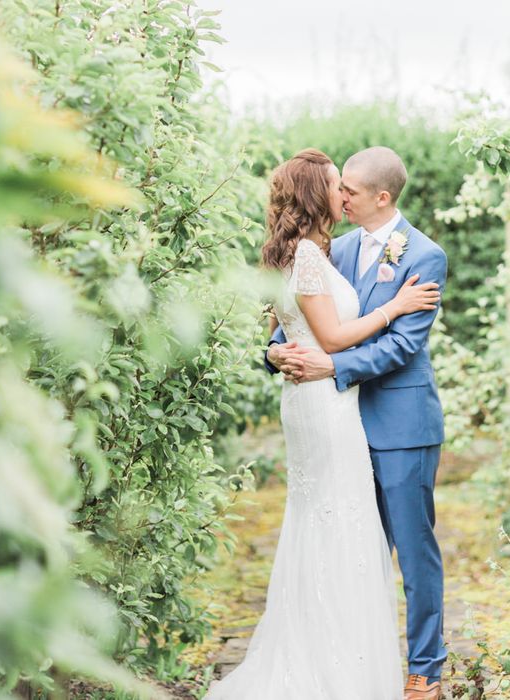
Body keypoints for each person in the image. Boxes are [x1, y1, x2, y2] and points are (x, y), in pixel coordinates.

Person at [204, 148, 441, 700]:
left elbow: (404, 346)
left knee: (415, 549)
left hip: (401, 423)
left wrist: (330, 363)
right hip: (336, 419)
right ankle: (347, 660)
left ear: (382, 196)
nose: (343, 196)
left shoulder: (425, 256)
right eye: (339, 187)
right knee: (349, 547)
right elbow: (299, 322)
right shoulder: (337, 246)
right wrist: (275, 355)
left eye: (352, 189)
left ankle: (424, 670)